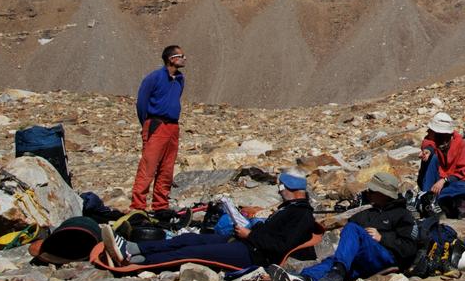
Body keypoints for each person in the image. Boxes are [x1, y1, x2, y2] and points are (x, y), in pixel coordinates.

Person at [101, 170, 315, 269]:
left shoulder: (301, 215)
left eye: (282, 187)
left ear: (292, 190)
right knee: (188, 240)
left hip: (253, 255)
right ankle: (135, 247)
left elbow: (281, 246)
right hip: (245, 242)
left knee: (192, 253)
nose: (279, 191)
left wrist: (250, 234)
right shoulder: (291, 208)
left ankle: (136, 260)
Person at [292, 172, 420, 281]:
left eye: (371, 191)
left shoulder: (403, 215)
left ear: (383, 194)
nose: (367, 193)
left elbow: (409, 248)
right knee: (336, 261)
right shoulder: (366, 213)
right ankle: (305, 278)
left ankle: (336, 273)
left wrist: (382, 238)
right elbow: (349, 232)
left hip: (388, 259)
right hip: (364, 261)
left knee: (352, 232)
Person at [131, 45, 187, 215]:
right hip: (156, 124)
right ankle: (137, 207)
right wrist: (147, 124)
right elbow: (141, 102)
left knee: (167, 168)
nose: (184, 59)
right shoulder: (154, 77)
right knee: (148, 166)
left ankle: (161, 205)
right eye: (181, 56)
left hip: (173, 127)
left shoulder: (180, 79)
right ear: (171, 58)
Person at [417, 112, 465, 215]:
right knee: (433, 158)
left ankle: (431, 198)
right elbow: (428, 142)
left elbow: (461, 172)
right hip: (433, 181)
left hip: (449, 182)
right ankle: (426, 196)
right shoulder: (434, 139)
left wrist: (444, 180)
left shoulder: (461, 144)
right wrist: (428, 150)